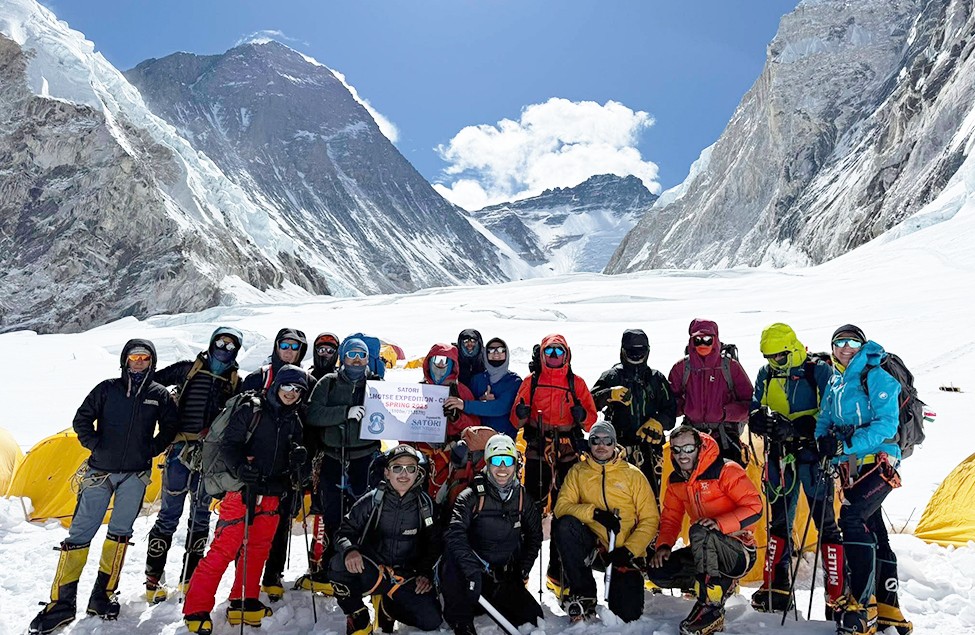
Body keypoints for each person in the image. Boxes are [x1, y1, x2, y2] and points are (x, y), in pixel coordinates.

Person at [30, 340, 178, 634]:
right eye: (134, 357)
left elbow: (170, 427)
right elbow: (81, 419)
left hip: (135, 476)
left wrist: (153, 448)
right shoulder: (107, 388)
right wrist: (96, 445)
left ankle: (103, 596)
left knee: (120, 535)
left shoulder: (158, 395)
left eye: (144, 358)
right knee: (79, 534)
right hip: (100, 472)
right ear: (125, 360)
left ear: (152, 362)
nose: (138, 362)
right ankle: (61, 604)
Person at [182, 365, 308, 634]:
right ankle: (196, 607)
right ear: (277, 385)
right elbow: (230, 444)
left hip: (272, 493)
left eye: (298, 390)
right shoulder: (252, 410)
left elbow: (292, 463)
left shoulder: (294, 420)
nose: (292, 393)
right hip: (242, 490)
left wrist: (298, 459)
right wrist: (240, 468)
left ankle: (243, 599)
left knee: (258, 549)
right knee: (225, 548)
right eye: (287, 386)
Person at [815, 325, 910, 635]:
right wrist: (825, 446)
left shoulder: (877, 375)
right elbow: (825, 420)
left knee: (852, 518)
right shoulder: (835, 380)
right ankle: (888, 607)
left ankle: (862, 604)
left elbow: (886, 424)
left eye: (853, 341)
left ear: (863, 344)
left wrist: (847, 445)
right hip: (851, 466)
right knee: (874, 527)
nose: (846, 347)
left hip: (881, 460)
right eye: (839, 342)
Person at [748, 323, 842, 614]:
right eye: (769, 356)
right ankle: (777, 587)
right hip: (779, 457)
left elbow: (833, 410)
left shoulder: (818, 371)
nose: (772, 361)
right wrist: (756, 418)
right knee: (779, 522)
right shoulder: (766, 373)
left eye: (778, 356)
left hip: (813, 456)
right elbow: (757, 403)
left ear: (790, 349)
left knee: (825, 522)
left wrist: (803, 426)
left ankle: (837, 591)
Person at [144, 327, 243, 603]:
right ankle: (154, 578)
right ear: (212, 342)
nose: (224, 348)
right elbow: (151, 383)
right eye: (221, 341)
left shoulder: (237, 381)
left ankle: (188, 579)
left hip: (210, 458)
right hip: (179, 450)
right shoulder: (187, 369)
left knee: (200, 517)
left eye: (231, 345)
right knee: (170, 515)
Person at [646, 425, 761, 635]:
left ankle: (711, 608)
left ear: (700, 447)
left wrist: (720, 524)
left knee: (700, 530)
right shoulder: (677, 480)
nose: (682, 455)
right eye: (677, 449)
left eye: (688, 448)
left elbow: (755, 508)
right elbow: (671, 517)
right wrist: (663, 545)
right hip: (705, 548)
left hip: (738, 551)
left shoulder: (726, 470)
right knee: (658, 571)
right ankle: (715, 584)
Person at [293, 337, 383, 595]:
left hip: (365, 458)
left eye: (362, 355)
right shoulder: (328, 383)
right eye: (352, 354)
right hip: (333, 457)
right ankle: (331, 566)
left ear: (368, 359)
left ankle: (361, 567)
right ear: (343, 357)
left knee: (363, 516)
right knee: (333, 515)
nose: (357, 359)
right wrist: (345, 412)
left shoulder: (376, 385)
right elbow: (313, 414)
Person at [509, 333, 598, 595]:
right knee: (530, 513)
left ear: (567, 354)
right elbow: (516, 420)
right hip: (538, 452)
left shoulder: (576, 383)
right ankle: (522, 571)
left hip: (568, 455)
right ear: (542, 354)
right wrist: (521, 414)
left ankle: (557, 572)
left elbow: (591, 422)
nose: (554, 357)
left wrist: (583, 416)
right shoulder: (531, 382)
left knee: (565, 512)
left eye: (559, 352)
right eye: (550, 352)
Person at [328, 445, 443, 635]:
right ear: (387, 472)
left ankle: (388, 608)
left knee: (431, 620)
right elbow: (343, 533)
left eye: (410, 468)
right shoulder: (372, 501)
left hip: (405, 577)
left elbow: (435, 544)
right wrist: (350, 550)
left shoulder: (426, 506)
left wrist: (425, 573)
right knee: (339, 565)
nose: (404, 474)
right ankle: (358, 615)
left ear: (418, 473)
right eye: (397, 467)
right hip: (371, 570)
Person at [552, 421, 659, 623]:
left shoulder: (632, 474)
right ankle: (584, 594)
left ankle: (625, 580)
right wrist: (595, 514)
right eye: (595, 440)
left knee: (627, 614)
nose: (601, 445)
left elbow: (650, 519)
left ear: (614, 443)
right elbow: (561, 507)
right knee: (565, 525)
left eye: (607, 440)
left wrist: (629, 550)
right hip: (595, 547)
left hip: (624, 554)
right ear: (589, 443)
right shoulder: (578, 472)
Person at [441, 435, 543, 635]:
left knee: (533, 617)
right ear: (487, 463)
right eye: (496, 461)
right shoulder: (470, 496)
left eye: (508, 461)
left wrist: (523, 567)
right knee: (452, 554)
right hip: (469, 577)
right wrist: (472, 572)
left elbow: (535, 535)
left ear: (516, 464)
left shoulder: (522, 498)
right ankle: (461, 618)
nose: (502, 468)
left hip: (499, 576)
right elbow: (455, 534)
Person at [592, 328, 677, 500]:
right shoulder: (611, 377)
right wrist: (608, 394)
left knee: (653, 498)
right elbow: (589, 405)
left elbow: (671, 411)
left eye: (640, 351)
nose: (636, 355)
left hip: (651, 452)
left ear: (648, 351)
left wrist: (659, 422)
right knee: (618, 497)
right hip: (617, 451)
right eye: (632, 351)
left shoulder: (656, 378)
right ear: (623, 350)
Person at [668, 319, 753, 466]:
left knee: (727, 481)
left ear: (715, 339)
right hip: (691, 438)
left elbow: (750, 403)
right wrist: (686, 407)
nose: (703, 344)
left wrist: (725, 412)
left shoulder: (730, 367)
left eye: (708, 339)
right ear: (691, 340)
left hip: (724, 437)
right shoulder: (681, 368)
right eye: (698, 339)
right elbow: (669, 402)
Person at [416, 343, 479, 498]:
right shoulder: (417, 391)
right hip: (422, 455)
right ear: (429, 362)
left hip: (452, 456)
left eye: (445, 361)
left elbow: (475, 426)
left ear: (453, 364)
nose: (440, 366)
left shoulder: (461, 391)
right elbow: (406, 424)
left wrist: (456, 418)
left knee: (450, 497)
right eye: (436, 360)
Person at [444, 337, 521, 438]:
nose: (496, 353)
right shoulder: (478, 380)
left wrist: (465, 405)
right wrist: (480, 400)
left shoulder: (514, 381)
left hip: (505, 440)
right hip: (477, 439)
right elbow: (470, 407)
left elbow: (501, 407)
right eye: (491, 350)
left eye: (501, 350)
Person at [240, 328, 311, 392]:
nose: (289, 350)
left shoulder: (308, 381)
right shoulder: (258, 378)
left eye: (294, 347)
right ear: (277, 348)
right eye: (284, 346)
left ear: (300, 351)